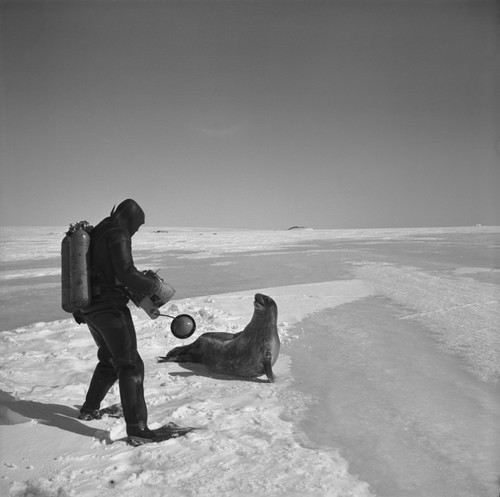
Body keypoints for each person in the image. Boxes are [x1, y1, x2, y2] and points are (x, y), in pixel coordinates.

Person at [76, 199, 165, 444]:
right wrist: (154, 285)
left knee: (109, 358)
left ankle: (90, 408)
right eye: (138, 225)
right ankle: (137, 429)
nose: (136, 231)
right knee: (130, 365)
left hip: (89, 308)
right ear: (129, 218)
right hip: (110, 309)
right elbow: (126, 271)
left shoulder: (99, 229)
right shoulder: (118, 233)